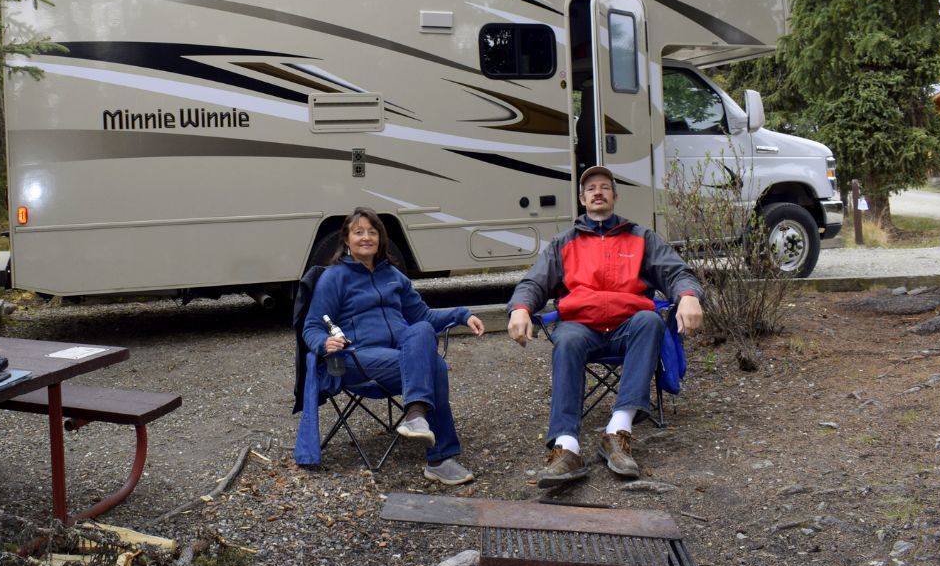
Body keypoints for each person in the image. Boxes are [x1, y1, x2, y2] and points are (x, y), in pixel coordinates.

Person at [506, 166, 703, 486]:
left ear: (615, 195)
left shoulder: (641, 237)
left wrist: (689, 296)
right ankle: (566, 447)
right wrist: (519, 309)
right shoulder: (564, 242)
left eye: (604, 187)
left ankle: (616, 432)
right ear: (583, 199)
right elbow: (533, 283)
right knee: (566, 339)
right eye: (591, 188)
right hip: (580, 327)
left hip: (628, 327)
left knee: (649, 320)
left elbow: (677, 273)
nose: (598, 191)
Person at [301, 207, 485, 485]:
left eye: (372, 232)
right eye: (358, 232)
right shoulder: (334, 277)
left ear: (381, 239)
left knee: (421, 330)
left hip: (399, 357)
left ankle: (416, 415)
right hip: (356, 359)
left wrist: (463, 314)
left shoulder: (394, 276)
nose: (366, 237)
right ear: (346, 240)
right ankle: (438, 456)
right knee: (433, 366)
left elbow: (424, 317)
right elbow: (311, 326)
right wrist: (323, 342)